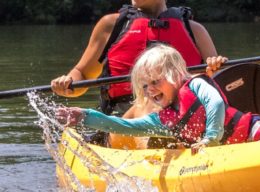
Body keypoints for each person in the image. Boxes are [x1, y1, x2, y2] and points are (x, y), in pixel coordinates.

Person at [56, 44, 260, 154]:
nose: (150, 90)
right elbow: (124, 126)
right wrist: (86, 116)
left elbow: (215, 103)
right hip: (225, 152)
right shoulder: (165, 119)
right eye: (145, 85)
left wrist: (210, 139)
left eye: (155, 81)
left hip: (253, 132)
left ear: (175, 74)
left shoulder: (196, 84)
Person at [51, 0, 224, 149]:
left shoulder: (194, 30)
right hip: (123, 124)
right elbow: (82, 73)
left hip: (186, 118)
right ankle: (157, 153)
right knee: (149, 103)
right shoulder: (110, 26)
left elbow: (217, 87)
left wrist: (214, 69)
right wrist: (68, 85)